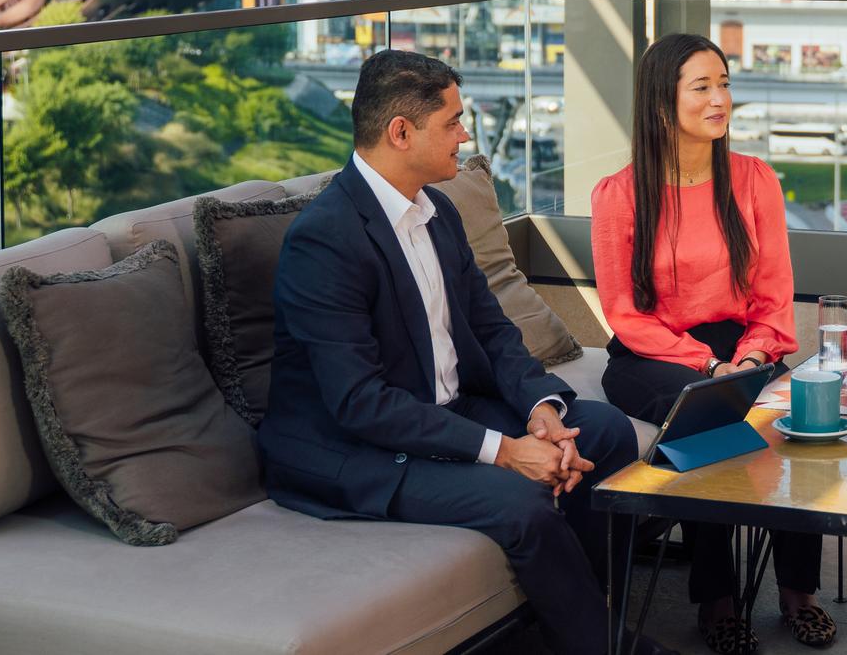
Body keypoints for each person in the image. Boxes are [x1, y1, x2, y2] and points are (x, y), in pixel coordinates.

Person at [260, 50, 665, 655]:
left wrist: (541, 412)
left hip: (447, 410)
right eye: (452, 122)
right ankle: (605, 647)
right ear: (401, 132)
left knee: (599, 430)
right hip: (351, 447)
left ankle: (577, 617)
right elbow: (360, 402)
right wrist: (505, 453)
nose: (466, 134)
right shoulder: (326, 239)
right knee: (524, 500)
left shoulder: (438, 210)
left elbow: (493, 329)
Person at [592, 34, 835, 655]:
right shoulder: (619, 196)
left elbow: (774, 295)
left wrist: (752, 357)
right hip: (654, 354)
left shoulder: (753, 180)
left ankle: (798, 593)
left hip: (745, 342)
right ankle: (719, 601)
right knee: (709, 417)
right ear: (660, 102)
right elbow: (624, 313)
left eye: (723, 83)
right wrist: (710, 365)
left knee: (797, 416)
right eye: (702, 87)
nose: (720, 99)